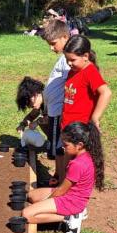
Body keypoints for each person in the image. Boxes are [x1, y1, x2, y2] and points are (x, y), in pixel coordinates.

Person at [22, 122, 105, 233]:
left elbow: (61, 190)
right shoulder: (84, 155)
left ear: (79, 145)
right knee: (31, 196)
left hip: (71, 201)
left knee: (26, 215)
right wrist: (55, 179)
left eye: (66, 145)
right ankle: (69, 213)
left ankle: (69, 217)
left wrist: (45, 201)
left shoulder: (78, 164)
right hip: (71, 194)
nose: (63, 147)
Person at [40, 18, 72, 186]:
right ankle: (58, 174)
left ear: (65, 37)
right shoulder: (64, 57)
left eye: (53, 44)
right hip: (53, 110)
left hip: (59, 111)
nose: (52, 48)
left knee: (59, 147)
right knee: (57, 146)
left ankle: (60, 178)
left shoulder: (69, 58)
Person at [15, 77, 51, 150]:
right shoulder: (40, 102)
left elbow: (56, 117)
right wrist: (23, 125)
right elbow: (31, 116)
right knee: (42, 121)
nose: (29, 106)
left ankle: (58, 145)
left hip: (68, 125)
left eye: (29, 102)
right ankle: (53, 141)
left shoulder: (50, 97)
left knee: (43, 121)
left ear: (35, 94)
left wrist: (37, 121)